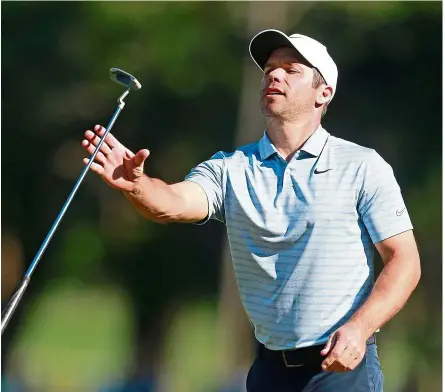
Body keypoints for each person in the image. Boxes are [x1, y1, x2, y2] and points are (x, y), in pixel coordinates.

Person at [81, 29, 421, 392]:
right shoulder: (231, 167)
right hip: (269, 371)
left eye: (291, 70)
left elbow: (404, 261)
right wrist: (138, 185)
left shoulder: (362, 166)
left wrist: (360, 328)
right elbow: (173, 204)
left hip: (341, 369)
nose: (274, 75)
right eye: (269, 70)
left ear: (324, 94)